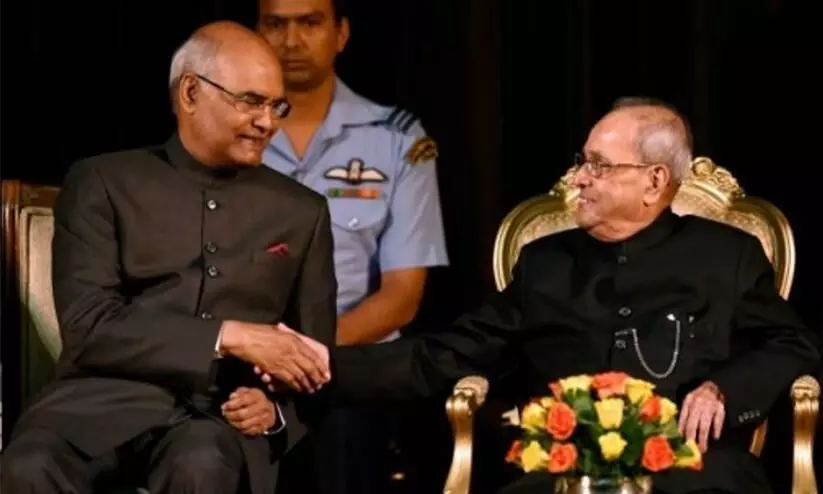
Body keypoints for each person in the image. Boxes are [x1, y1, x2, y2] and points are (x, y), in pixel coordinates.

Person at [289, 97, 820, 494]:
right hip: (564, 470)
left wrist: (723, 390)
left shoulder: (727, 255)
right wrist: (319, 365)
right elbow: (446, 355)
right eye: (583, 161)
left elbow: (792, 345)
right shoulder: (546, 263)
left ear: (655, 182)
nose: (578, 180)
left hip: (695, 466)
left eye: (599, 165)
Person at [0, 21, 335, 494]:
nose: (268, 122)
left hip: (217, 415)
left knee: (202, 461)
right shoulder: (102, 181)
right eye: (250, 101)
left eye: (275, 105)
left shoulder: (303, 211)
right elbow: (90, 326)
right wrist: (231, 336)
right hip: (95, 405)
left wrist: (277, 409)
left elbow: (315, 355)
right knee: (30, 464)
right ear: (192, 93)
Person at [256, 0, 449, 492]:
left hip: (351, 361)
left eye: (310, 22)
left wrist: (301, 355)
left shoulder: (397, 139)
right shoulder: (231, 133)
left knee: (340, 432)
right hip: (244, 357)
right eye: (275, 24)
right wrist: (261, 354)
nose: (292, 40)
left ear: (341, 34)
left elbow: (402, 296)